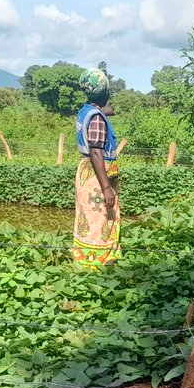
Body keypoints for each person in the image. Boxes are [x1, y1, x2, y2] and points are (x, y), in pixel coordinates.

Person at [73, 67, 121, 266]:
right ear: (106, 92)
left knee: (87, 216)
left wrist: (103, 112)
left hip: (87, 172)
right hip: (98, 175)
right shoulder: (97, 118)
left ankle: (84, 259)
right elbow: (96, 151)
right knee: (102, 215)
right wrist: (106, 187)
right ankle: (99, 262)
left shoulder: (86, 111)